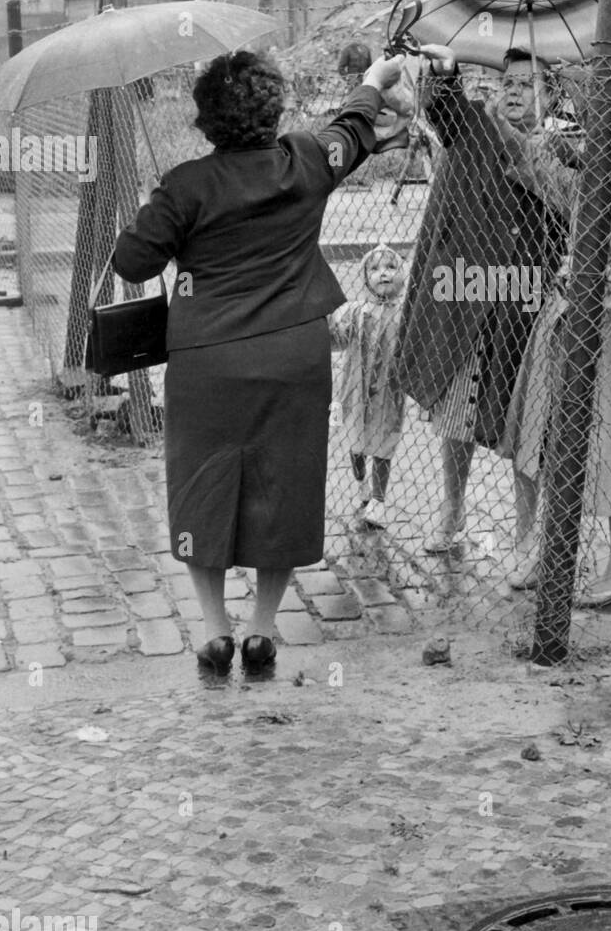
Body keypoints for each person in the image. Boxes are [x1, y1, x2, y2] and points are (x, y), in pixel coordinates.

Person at [112, 49, 411, 675]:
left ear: (205, 120)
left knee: (203, 484)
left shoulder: (184, 185)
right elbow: (353, 127)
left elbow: (133, 261)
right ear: (275, 111)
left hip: (208, 364)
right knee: (285, 481)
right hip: (293, 356)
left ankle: (214, 630)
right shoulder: (307, 159)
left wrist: (155, 209)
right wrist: (372, 80)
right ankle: (263, 628)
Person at [394, 46, 568, 561]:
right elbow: (443, 109)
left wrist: (528, 153)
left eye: (526, 84)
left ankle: (526, 531)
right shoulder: (474, 125)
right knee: (456, 411)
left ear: (551, 95)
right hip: (467, 296)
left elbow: (571, 204)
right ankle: (452, 510)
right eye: (507, 83)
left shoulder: (562, 148)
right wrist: (445, 71)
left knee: (526, 420)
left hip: (525, 304)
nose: (513, 92)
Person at [497, 100, 611, 606]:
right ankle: (547, 551)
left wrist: (588, 278)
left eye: (598, 135)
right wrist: (534, 139)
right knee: (544, 435)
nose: (586, 142)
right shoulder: (589, 189)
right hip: (561, 329)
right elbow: (533, 172)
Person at [328, 243, 407, 528]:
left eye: (390, 267)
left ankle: (378, 501)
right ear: (365, 278)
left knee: (384, 446)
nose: (383, 273)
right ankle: (362, 483)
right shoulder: (356, 312)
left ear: (401, 274)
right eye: (374, 269)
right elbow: (337, 338)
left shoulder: (405, 313)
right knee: (356, 446)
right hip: (355, 390)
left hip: (389, 391)